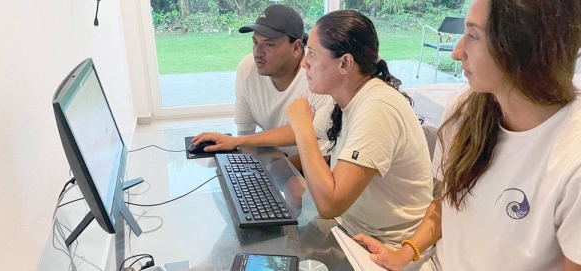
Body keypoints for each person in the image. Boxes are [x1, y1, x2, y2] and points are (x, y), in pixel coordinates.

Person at [195, 10, 435, 270]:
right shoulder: (346, 97)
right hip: (349, 227)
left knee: (259, 253)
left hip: (385, 247)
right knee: (242, 243)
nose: (304, 63)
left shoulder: (378, 108)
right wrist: (236, 142)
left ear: (344, 64)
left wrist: (301, 126)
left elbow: (329, 204)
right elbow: (297, 131)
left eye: (312, 54)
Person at [354, 0, 581, 270]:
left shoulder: (571, 157)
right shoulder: (463, 113)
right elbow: (443, 207)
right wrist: (404, 253)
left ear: (523, 46)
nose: (457, 52)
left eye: (473, 35)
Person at [230, 4, 332, 155]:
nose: (257, 52)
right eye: (255, 42)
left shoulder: (318, 80)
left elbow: (323, 155)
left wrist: (273, 172)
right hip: (275, 161)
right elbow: (245, 136)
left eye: (269, 44)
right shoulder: (247, 67)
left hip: (309, 170)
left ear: (296, 48)